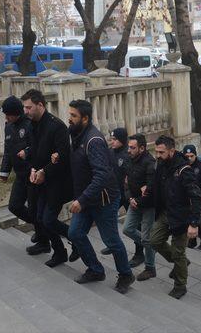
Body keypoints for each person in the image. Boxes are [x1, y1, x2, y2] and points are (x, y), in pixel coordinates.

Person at [66, 100, 135, 294]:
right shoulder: (77, 135)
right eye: (69, 114)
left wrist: (81, 199)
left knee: (111, 240)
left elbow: (102, 175)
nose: (69, 119)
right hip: (87, 198)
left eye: (73, 116)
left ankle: (125, 274)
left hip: (103, 200)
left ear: (85, 119)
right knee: (75, 233)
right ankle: (96, 269)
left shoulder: (93, 140)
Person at [23, 89, 76, 267]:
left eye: (29, 107)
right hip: (40, 181)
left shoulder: (57, 126)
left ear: (40, 105)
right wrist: (32, 169)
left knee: (48, 219)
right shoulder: (31, 125)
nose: (26, 111)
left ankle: (76, 239)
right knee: (39, 217)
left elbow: (62, 158)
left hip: (58, 182)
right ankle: (59, 252)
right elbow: (32, 151)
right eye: (25, 108)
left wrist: (44, 171)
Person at [147, 135, 201, 299]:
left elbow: (197, 197)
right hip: (165, 213)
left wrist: (194, 223)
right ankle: (182, 263)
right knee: (154, 240)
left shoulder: (184, 170)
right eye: (156, 151)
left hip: (181, 218)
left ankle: (180, 286)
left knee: (179, 253)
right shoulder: (161, 164)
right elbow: (156, 185)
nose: (157, 155)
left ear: (171, 150)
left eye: (161, 152)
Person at [0, 95, 43, 247]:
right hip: (19, 175)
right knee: (14, 206)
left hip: (32, 174)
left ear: (16, 112)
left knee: (34, 208)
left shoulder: (30, 124)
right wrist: (4, 171)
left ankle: (42, 238)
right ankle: (42, 227)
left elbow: (38, 146)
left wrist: (27, 151)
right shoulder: (8, 126)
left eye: (8, 114)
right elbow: (7, 149)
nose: (6, 117)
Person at [122, 134, 157, 280]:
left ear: (142, 148)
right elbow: (126, 183)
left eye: (132, 147)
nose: (129, 150)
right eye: (129, 147)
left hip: (148, 205)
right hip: (134, 202)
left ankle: (150, 268)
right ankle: (150, 244)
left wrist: (138, 200)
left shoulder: (150, 163)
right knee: (127, 229)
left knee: (146, 237)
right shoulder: (129, 160)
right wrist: (130, 198)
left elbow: (151, 189)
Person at [101, 128, 131, 256]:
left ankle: (140, 252)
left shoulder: (128, 154)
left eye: (115, 140)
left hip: (127, 195)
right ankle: (113, 244)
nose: (112, 142)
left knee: (134, 226)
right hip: (114, 194)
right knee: (109, 219)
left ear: (122, 140)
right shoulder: (110, 152)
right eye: (111, 139)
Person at [183, 144, 201, 249]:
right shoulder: (182, 166)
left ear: (195, 155)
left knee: (199, 221)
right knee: (190, 219)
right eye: (187, 156)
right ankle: (192, 241)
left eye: (191, 156)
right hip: (186, 198)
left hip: (199, 198)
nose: (189, 158)